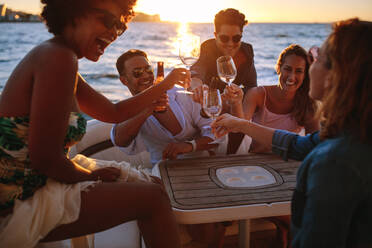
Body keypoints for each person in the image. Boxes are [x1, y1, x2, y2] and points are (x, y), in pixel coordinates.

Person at [0, 0, 191, 247]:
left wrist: (164, 85)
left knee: (150, 183)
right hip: (19, 195)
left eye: (120, 27)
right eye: (109, 22)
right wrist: (89, 176)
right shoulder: (58, 58)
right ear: (74, 11)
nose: (114, 33)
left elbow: (113, 112)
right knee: (153, 198)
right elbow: (44, 158)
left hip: (39, 178)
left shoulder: (59, 55)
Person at [212, 18, 372, 247]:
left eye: (317, 58)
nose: (310, 68)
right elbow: (300, 145)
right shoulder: (355, 134)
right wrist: (240, 124)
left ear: (337, 76)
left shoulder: (335, 163)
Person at [111, 49, 219, 169]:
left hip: (203, 165)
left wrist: (190, 146)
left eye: (148, 70)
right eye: (138, 73)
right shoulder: (128, 109)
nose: (146, 75)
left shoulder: (183, 94)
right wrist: (148, 108)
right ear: (124, 80)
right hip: (164, 170)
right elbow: (120, 140)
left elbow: (217, 135)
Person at [226, 44, 320, 153]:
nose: (291, 77)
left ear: (305, 75)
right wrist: (236, 102)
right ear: (279, 68)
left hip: (288, 163)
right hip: (257, 160)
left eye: (298, 71)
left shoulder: (307, 102)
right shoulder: (257, 94)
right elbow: (238, 128)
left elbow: (314, 147)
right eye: (287, 69)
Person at [191, 8, 257, 154]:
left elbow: (252, 86)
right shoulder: (208, 48)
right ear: (215, 35)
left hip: (231, 102)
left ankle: (230, 155)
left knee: (238, 108)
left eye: (236, 38)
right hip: (208, 102)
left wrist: (236, 96)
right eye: (224, 38)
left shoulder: (246, 52)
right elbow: (197, 70)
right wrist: (196, 84)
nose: (230, 43)